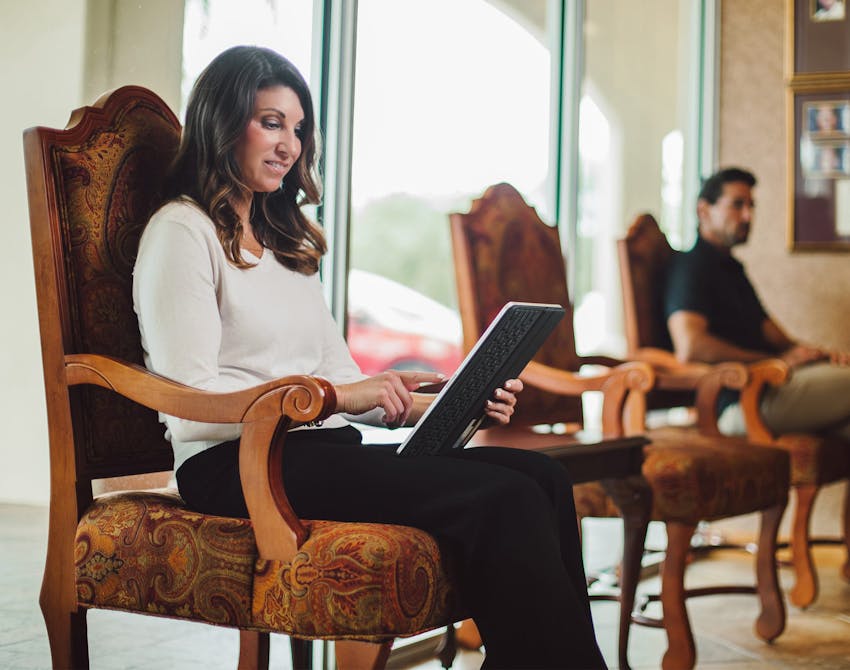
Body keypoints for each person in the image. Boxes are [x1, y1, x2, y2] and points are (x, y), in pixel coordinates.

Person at [132, 45, 606, 670]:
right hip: (235, 467)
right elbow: (191, 407)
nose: (290, 145)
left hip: (314, 452)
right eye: (271, 122)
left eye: (298, 129)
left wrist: (441, 404)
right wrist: (333, 398)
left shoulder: (283, 244)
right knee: (504, 499)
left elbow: (348, 384)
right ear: (223, 123)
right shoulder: (181, 232)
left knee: (543, 478)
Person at [664, 167, 850, 440]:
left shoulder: (732, 271)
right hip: (739, 401)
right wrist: (775, 360)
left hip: (772, 386)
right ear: (704, 211)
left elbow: (772, 334)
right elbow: (691, 346)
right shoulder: (690, 267)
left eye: (751, 205)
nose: (748, 216)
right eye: (737, 205)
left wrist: (811, 355)